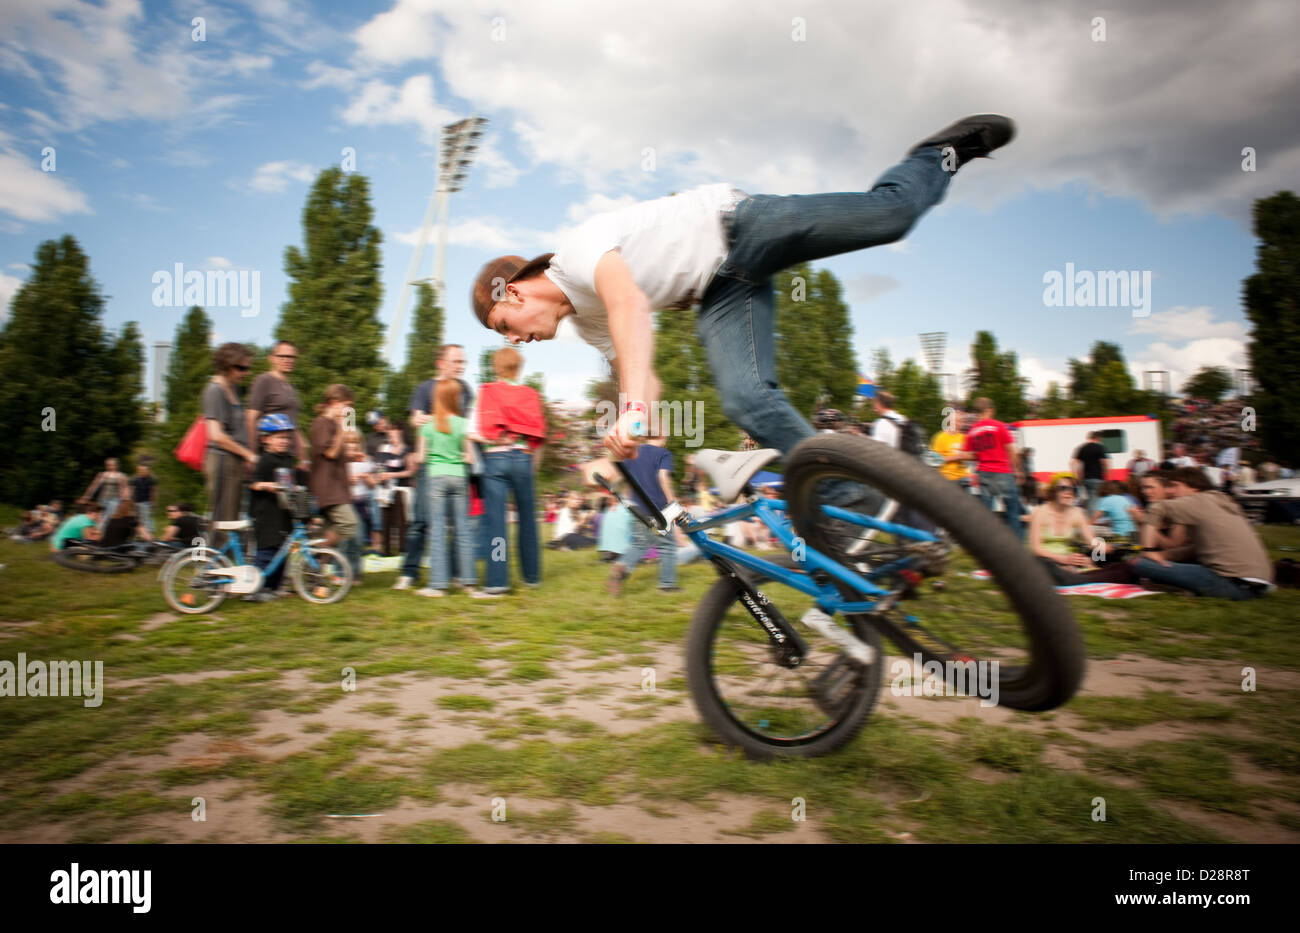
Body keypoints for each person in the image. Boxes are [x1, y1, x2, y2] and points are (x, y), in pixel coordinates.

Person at [471, 114, 1016, 464]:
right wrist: (626, 433)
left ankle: (937, 154)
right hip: (724, 290)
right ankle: (852, 502)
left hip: (743, 225)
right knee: (745, 400)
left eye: (503, 329)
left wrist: (632, 406)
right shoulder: (586, 325)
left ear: (513, 294)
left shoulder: (580, 250)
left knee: (891, 217)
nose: (513, 343)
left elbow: (631, 305)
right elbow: (646, 376)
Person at [396, 344, 474, 591]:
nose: (460, 367)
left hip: (455, 466)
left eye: (463, 362)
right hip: (432, 466)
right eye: (456, 362)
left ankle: (454, 574)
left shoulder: (466, 390)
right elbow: (415, 419)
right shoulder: (425, 388)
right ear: (441, 362)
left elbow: (468, 425)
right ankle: (410, 572)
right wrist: (425, 420)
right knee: (421, 520)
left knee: (457, 524)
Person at [1129, 467, 1274, 600]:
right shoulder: (1220, 501)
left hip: (1233, 584)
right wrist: (1164, 556)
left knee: (1141, 564)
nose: (1170, 491)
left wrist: (1148, 550)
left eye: (1175, 485)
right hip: (1259, 586)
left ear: (1194, 487)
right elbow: (1197, 548)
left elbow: (1157, 509)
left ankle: (1178, 589)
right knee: (1159, 563)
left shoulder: (1196, 501)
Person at [413, 378, 495, 598]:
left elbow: (420, 458)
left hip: (436, 478)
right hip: (459, 478)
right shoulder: (462, 424)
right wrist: (456, 456)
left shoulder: (427, 426)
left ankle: (437, 585)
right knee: (463, 530)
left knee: (438, 531)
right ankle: (468, 584)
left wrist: (432, 456)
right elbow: (469, 458)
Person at [474, 346, 546, 593]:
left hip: (495, 459)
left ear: (496, 367)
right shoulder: (530, 395)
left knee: (497, 523)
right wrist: (532, 464)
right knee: (528, 520)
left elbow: (480, 430)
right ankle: (532, 576)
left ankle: (497, 581)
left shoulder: (488, 391)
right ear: (519, 367)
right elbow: (539, 435)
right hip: (523, 459)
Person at [1028, 477, 1134, 585]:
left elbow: (1092, 541)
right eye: (1063, 488)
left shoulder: (1077, 512)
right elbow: (1036, 549)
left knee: (1109, 558)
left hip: (1070, 562)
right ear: (1053, 491)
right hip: (1048, 560)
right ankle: (1085, 577)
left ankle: (1080, 574)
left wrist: (1105, 549)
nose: (1068, 492)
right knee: (1043, 563)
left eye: (1073, 489)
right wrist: (1063, 559)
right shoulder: (1040, 512)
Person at [608, 436, 678, 594]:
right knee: (667, 545)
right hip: (659, 508)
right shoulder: (663, 453)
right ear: (663, 435)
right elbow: (663, 478)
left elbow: (617, 477)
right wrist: (672, 502)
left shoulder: (633, 453)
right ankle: (667, 585)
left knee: (640, 544)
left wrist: (613, 499)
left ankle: (622, 565)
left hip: (638, 509)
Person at [203, 343, 258, 542]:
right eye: (241, 368)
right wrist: (248, 454)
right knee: (221, 521)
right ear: (226, 365)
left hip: (235, 461)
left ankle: (226, 566)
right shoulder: (214, 391)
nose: (246, 373)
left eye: (248, 368)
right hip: (221, 460)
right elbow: (216, 435)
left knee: (233, 519)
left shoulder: (235, 389)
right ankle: (210, 568)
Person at [309, 384, 363, 583]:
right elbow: (329, 453)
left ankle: (313, 575)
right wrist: (342, 428)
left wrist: (352, 457)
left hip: (338, 488)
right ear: (335, 403)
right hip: (328, 489)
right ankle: (315, 551)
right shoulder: (321, 423)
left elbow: (337, 453)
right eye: (347, 406)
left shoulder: (332, 425)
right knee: (350, 524)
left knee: (334, 531)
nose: (349, 411)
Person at [247, 414, 301, 601]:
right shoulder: (266, 460)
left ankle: (274, 587)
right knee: (267, 551)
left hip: (283, 512)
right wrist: (269, 485)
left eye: (287, 437)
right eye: (279, 437)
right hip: (266, 513)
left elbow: (291, 482)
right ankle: (257, 587)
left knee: (283, 549)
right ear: (266, 439)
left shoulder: (288, 459)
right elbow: (253, 484)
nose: (284, 441)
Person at [959, 397, 1024, 540]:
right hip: (1002, 473)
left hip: (984, 473)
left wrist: (982, 455)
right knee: (1012, 511)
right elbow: (1011, 451)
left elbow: (968, 455)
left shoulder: (972, 431)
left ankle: (988, 543)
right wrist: (1019, 471)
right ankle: (1017, 547)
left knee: (986, 514)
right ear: (990, 410)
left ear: (977, 412)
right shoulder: (1000, 426)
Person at [246, 340, 309, 467]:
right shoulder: (264, 380)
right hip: (268, 454)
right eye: (283, 356)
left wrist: (304, 457)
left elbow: (293, 425)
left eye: (292, 357)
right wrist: (251, 455)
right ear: (271, 358)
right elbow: (251, 418)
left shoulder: (291, 387)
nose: (288, 360)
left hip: (287, 454)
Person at [82, 458, 128, 530]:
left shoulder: (121, 476)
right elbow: (94, 486)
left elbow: (124, 488)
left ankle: (105, 534)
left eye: (112, 465)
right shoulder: (102, 475)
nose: (110, 466)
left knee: (110, 517)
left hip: (114, 500)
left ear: (116, 465)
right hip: (103, 498)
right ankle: (97, 533)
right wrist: (87, 496)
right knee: (100, 517)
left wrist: (124, 500)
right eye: (108, 465)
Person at [1071, 431, 1110, 509]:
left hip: (1085, 479)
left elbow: (1073, 462)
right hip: (1097, 478)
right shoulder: (1100, 447)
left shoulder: (1082, 448)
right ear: (1098, 438)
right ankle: (1091, 519)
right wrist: (1107, 475)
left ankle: (1087, 517)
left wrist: (1075, 476)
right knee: (1095, 501)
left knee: (1088, 500)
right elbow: (1105, 462)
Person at [932, 410, 970, 489]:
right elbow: (934, 461)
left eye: (961, 421)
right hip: (947, 479)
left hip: (964, 478)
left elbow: (970, 456)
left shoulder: (965, 438)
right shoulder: (940, 437)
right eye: (957, 420)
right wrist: (956, 457)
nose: (960, 423)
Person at [128, 463, 156, 535]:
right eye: (142, 470)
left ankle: (149, 533)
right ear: (139, 470)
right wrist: (131, 501)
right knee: (137, 519)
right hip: (136, 501)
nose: (143, 471)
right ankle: (138, 534)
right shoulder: (135, 479)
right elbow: (131, 490)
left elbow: (152, 491)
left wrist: (153, 501)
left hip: (146, 501)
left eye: (145, 470)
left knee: (146, 518)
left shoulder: (150, 479)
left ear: (148, 470)